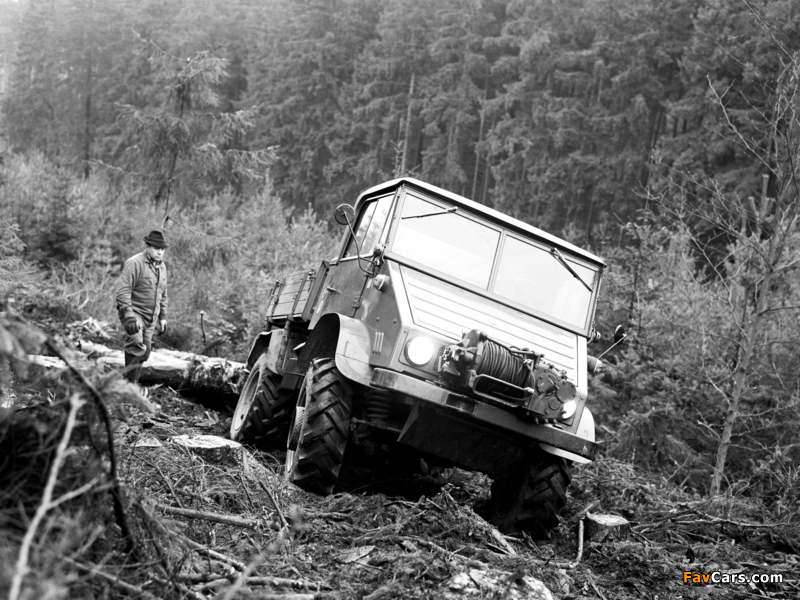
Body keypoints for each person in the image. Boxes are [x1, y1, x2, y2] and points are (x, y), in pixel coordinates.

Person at [115, 230, 169, 384]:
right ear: (148, 246)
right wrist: (129, 315)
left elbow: (163, 294)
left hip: (151, 317)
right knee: (135, 343)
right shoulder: (134, 263)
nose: (160, 252)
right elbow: (123, 291)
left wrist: (163, 317)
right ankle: (128, 387)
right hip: (134, 312)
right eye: (156, 248)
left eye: (162, 249)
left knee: (145, 352)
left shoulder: (162, 267)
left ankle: (131, 384)